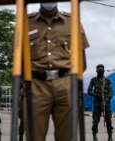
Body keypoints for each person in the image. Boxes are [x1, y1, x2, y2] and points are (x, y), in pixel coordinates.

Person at [26, 2, 89, 141]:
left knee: (67, 136)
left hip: (65, 84)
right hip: (36, 85)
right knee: (33, 136)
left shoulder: (72, 21)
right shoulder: (25, 22)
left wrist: (70, 82)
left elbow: (81, 61)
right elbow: (18, 59)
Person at [87, 64, 113, 141]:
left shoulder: (108, 80)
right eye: (99, 71)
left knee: (108, 120)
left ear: (104, 71)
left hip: (106, 103)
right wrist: (97, 95)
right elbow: (89, 91)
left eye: (102, 71)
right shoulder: (93, 80)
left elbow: (111, 92)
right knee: (95, 121)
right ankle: (94, 136)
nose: (100, 72)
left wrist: (107, 99)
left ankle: (110, 136)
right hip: (97, 103)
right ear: (96, 71)